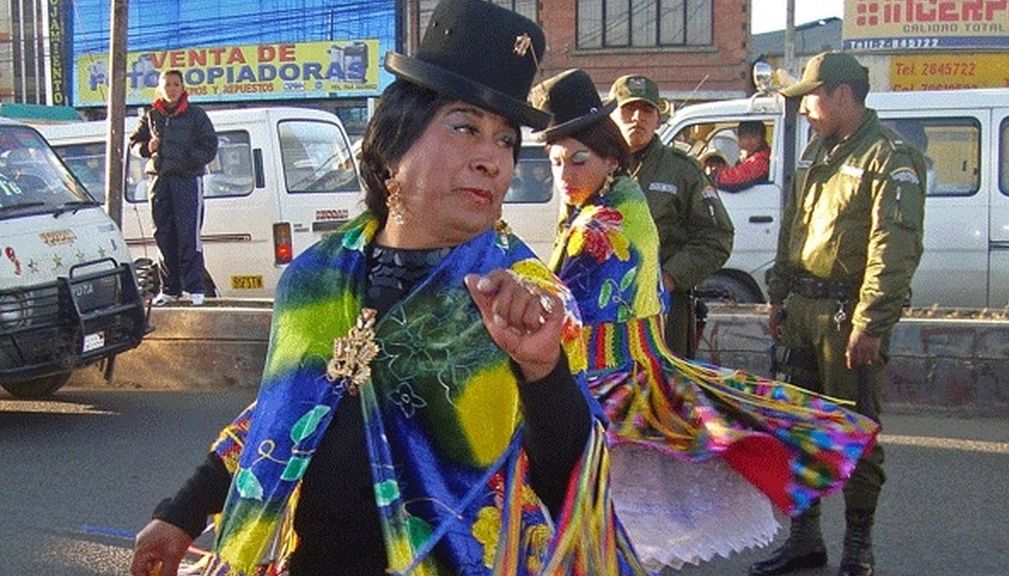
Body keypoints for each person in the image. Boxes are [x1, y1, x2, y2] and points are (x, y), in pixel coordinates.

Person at [129, 2, 643, 575]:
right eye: (465, 126)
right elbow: (283, 414)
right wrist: (182, 514)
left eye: (505, 141)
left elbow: (569, 485)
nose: (493, 161)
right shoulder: (316, 279)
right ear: (393, 147)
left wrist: (544, 373)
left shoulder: (522, 298)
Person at [531, 68, 879, 573]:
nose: (565, 176)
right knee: (604, 522)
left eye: (577, 160)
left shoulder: (611, 215)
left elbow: (579, 297)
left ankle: (851, 546)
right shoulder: (607, 197)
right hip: (615, 370)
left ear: (611, 154)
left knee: (600, 517)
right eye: (556, 162)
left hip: (618, 378)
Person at [757, 51, 927, 576]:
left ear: (842, 95)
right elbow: (795, 226)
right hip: (804, 309)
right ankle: (805, 539)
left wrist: (871, 323)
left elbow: (892, 247)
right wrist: (780, 297)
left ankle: (858, 547)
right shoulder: (816, 152)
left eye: (810, 96)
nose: (805, 108)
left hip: (846, 317)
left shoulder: (889, 157)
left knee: (855, 430)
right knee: (797, 425)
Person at [608, 74, 734, 358]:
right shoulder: (594, 166)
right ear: (612, 114)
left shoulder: (682, 171)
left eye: (647, 110)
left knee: (663, 393)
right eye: (629, 109)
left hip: (663, 309)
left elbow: (717, 237)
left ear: (658, 119)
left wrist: (670, 277)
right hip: (604, 308)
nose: (638, 117)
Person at [130, 69, 218, 306]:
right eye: (167, 84)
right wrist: (148, 147)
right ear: (160, 88)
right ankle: (169, 289)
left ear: (183, 88)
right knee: (163, 234)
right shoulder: (151, 115)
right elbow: (133, 144)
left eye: (176, 84)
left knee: (188, 235)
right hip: (159, 181)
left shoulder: (195, 115)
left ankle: (195, 288)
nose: (171, 88)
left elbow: (210, 146)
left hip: (187, 181)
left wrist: (188, 160)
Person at [712, 120, 772, 192]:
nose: (749, 141)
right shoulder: (748, 158)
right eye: (744, 137)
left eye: (754, 137)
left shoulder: (762, 159)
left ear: (762, 138)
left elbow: (738, 177)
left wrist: (715, 177)